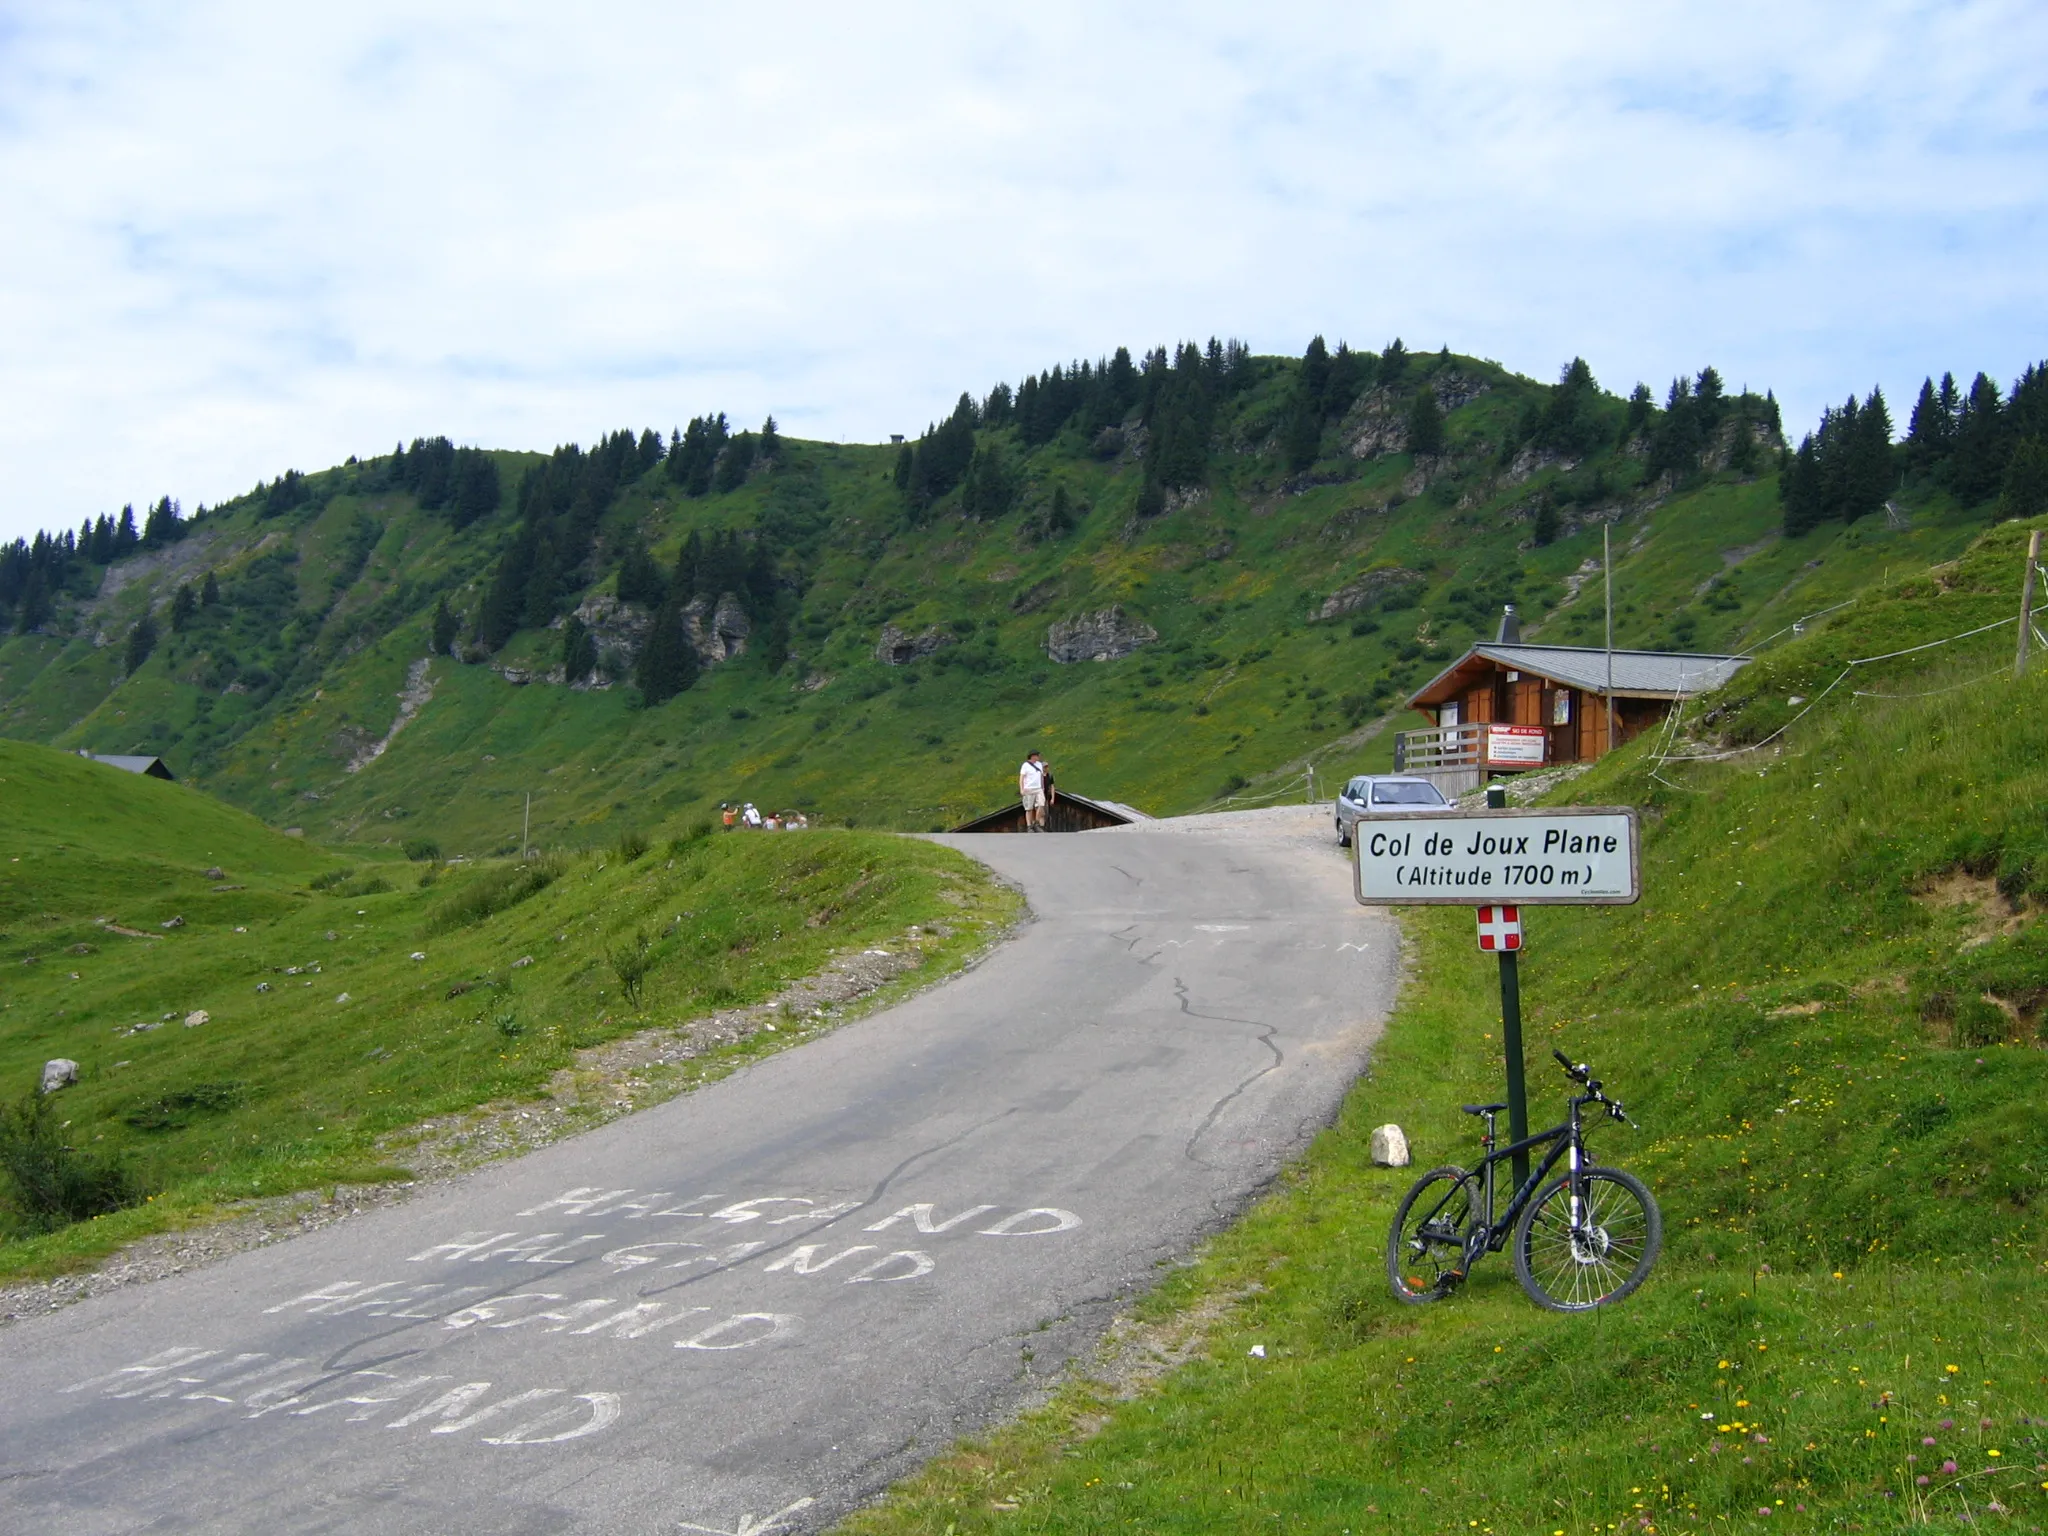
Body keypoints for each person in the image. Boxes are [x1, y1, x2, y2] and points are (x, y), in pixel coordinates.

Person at [1019, 750, 1052, 832]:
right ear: (1033, 756)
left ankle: (1036, 823)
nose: (1039, 757)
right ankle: (1029, 826)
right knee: (1029, 808)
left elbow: (1041, 776)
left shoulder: (1039, 765)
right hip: (1029, 788)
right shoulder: (1025, 765)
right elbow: (1021, 778)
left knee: (1041, 804)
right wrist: (1022, 789)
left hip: (1038, 788)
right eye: (1037, 755)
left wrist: (1042, 787)